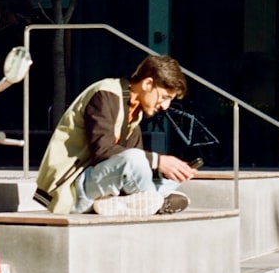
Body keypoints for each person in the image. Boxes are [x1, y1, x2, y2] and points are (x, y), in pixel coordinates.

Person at [34, 54, 199, 216]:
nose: (165, 106)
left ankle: (122, 203)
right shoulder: (105, 93)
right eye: (164, 97)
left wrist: (170, 171)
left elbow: (135, 169)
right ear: (148, 83)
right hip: (72, 189)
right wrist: (158, 161)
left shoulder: (135, 112)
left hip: (102, 183)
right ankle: (156, 201)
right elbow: (102, 151)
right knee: (136, 158)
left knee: (168, 179)